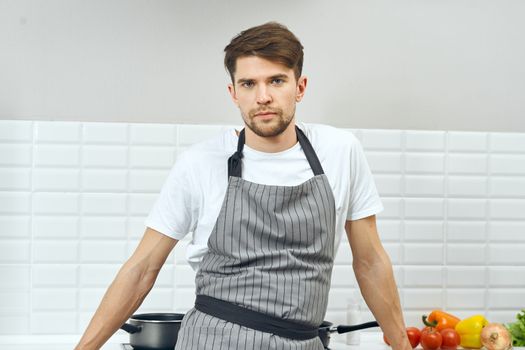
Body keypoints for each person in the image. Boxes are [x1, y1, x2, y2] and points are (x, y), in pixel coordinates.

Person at [75, 22, 412, 350]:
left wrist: (402, 346)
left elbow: (370, 261)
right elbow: (141, 267)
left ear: (300, 86)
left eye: (276, 80)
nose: (262, 96)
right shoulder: (200, 163)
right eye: (249, 84)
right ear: (233, 93)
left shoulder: (341, 152)